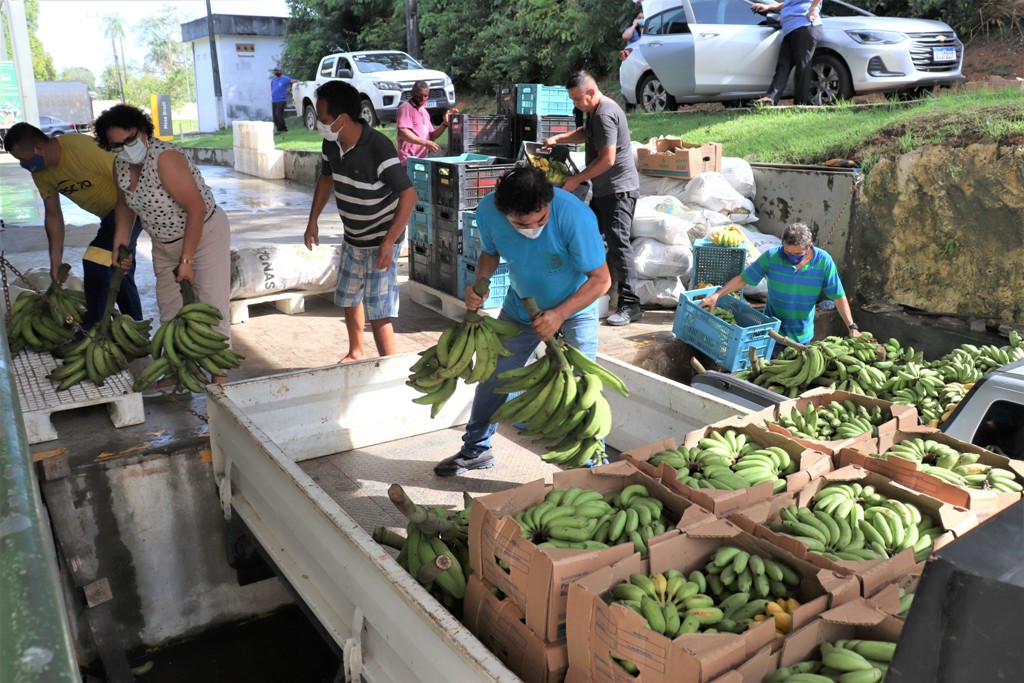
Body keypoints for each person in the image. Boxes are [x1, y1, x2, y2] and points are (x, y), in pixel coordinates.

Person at [434, 166, 611, 477]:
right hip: (520, 305)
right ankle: (476, 449)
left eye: (540, 219)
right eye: (521, 223)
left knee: (583, 387)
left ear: (549, 202)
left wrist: (559, 314)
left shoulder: (574, 216)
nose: (532, 227)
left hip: (574, 308)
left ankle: (593, 464)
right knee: (494, 376)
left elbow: (601, 281)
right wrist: (481, 282)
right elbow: (490, 254)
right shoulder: (488, 212)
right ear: (505, 212)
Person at [93, 104, 232, 385]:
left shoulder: (165, 159)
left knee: (211, 303)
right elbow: (124, 208)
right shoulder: (120, 163)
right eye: (116, 145)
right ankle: (173, 367)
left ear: (143, 131)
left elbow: (196, 209)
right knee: (169, 307)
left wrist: (187, 261)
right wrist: (121, 246)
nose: (124, 148)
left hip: (204, 234)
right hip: (163, 241)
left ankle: (219, 372)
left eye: (129, 140)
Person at [303, 80, 417, 363]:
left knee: (379, 308)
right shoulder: (330, 143)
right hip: (353, 237)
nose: (320, 124)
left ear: (343, 119)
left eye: (324, 119)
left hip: (382, 238)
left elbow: (409, 196)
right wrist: (312, 220)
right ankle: (356, 351)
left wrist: (389, 243)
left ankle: (389, 365)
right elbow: (326, 178)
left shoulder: (378, 147)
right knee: (348, 296)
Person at [4, 122, 144, 333]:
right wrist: (55, 261)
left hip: (131, 205)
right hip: (109, 216)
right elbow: (53, 215)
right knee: (119, 270)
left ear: (39, 149)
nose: (23, 164)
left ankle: (91, 330)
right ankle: (135, 331)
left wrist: (122, 225)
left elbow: (129, 177)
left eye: (23, 159)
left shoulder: (82, 148)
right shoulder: (41, 172)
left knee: (96, 261)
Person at [541, 70, 642, 327]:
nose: (575, 104)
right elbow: (585, 133)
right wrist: (559, 138)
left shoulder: (606, 113)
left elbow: (607, 159)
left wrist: (578, 178)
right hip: (604, 190)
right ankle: (587, 289)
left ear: (591, 92)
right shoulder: (595, 112)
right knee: (587, 233)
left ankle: (630, 304)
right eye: (572, 99)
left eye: (577, 99)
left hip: (618, 191)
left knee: (619, 245)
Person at [699, 222, 860, 344]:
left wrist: (851, 326)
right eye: (787, 251)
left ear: (809, 246)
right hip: (772, 331)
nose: (791, 256)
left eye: (797, 253)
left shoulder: (823, 261)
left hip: (802, 335)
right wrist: (717, 295)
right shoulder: (772, 257)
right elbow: (743, 279)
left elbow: (838, 296)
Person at [752, 1, 824, 106]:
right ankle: (770, 99)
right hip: (790, 30)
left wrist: (812, 9)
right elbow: (788, 3)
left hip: (804, 25)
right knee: (783, 67)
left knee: (803, 66)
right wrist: (768, 7)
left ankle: (801, 104)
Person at [396, 80, 458, 166]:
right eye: (419, 95)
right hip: (408, 162)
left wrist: (445, 123)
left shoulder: (424, 112)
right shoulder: (405, 108)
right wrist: (425, 143)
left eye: (425, 96)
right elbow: (403, 133)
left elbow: (431, 136)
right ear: (412, 93)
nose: (422, 99)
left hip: (422, 161)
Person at [270, 66, 293, 133]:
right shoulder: (273, 79)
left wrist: (298, 82)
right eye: (275, 70)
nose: (277, 72)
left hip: (281, 100)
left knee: (278, 115)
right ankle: (279, 129)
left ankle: (283, 128)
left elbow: (292, 81)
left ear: (281, 71)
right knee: (275, 117)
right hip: (274, 100)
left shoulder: (285, 78)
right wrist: (272, 92)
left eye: (278, 70)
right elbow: (272, 85)